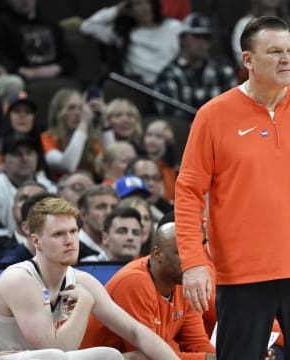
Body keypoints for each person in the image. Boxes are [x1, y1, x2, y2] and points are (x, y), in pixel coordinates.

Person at [174, 16, 290, 359]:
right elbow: (189, 191)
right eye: (274, 51)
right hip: (243, 274)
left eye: (289, 51)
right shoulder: (213, 116)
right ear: (247, 60)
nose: (285, 58)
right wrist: (193, 262)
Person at [0, 197, 180, 360]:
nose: (69, 241)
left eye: (73, 232)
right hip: (0, 357)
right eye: (58, 234)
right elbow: (56, 349)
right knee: (51, 356)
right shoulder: (19, 279)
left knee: (112, 355)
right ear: (36, 241)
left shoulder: (82, 280)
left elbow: (136, 332)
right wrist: (84, 303)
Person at [81, 215, 215, 359]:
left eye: (195, 253)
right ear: (158, 254)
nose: (193, 261)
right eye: (182, 253)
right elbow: (150, 354)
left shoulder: (185, 280)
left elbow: (197, 342)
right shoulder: (134, 282)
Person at [154, 12, 237, 122]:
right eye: (196, 36)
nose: (202, 43)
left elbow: (234, 110)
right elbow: (172, 118)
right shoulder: (169, 75)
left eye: (206, 38)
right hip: (186, 135)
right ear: (182, 39)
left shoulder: (224, 72)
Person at [80, 0, 183, 85]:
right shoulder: (123, 34)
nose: (144, 7)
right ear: (129, 10)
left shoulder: (173, 27)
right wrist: (117, 9)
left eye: (148, 2)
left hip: (176, 82)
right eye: (138, 3)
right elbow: (87, 26)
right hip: (145, 87)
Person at [0, 133, 57, 239]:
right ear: (3, 160)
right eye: (17, 154)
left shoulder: (50, 188)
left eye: (29, 153)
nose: (24, 158)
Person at [0, 0, 76, 82]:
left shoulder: (51, 26)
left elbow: (69, 58)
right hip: (20, 79)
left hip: (54, 76)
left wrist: (55, 69)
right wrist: (19, 71)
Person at [41, 88, 114, 180]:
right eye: (71, 108)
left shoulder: (91, 140)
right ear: (58, 113)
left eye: (81, 108)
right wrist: (83, 123)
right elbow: (68, 166)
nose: (78, 113)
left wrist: (105, 122)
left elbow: (112, 164)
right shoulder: (46, 138)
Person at [0, 190, 55, 264]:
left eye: (72, 231)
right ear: (26, 228)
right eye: (47, 224)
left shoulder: (69, 259)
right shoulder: (9, 265)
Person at [126, 157, 174, 223]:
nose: (151, 183)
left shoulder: (171, 210)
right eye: (144, 178)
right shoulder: (117, 207)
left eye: (155, 178)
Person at [78, 185, 119, 260]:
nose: (109, 212)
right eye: (101, 207)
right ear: (83, 214)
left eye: (114, 208)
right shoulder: (72, 249)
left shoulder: (121, 249)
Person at [142, 119, 177, 201]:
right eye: (149, 135)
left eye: (159, 136)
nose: (152, 140)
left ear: (168, 141)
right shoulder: (139, 161)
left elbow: (169, 195)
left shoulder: (169, 167)